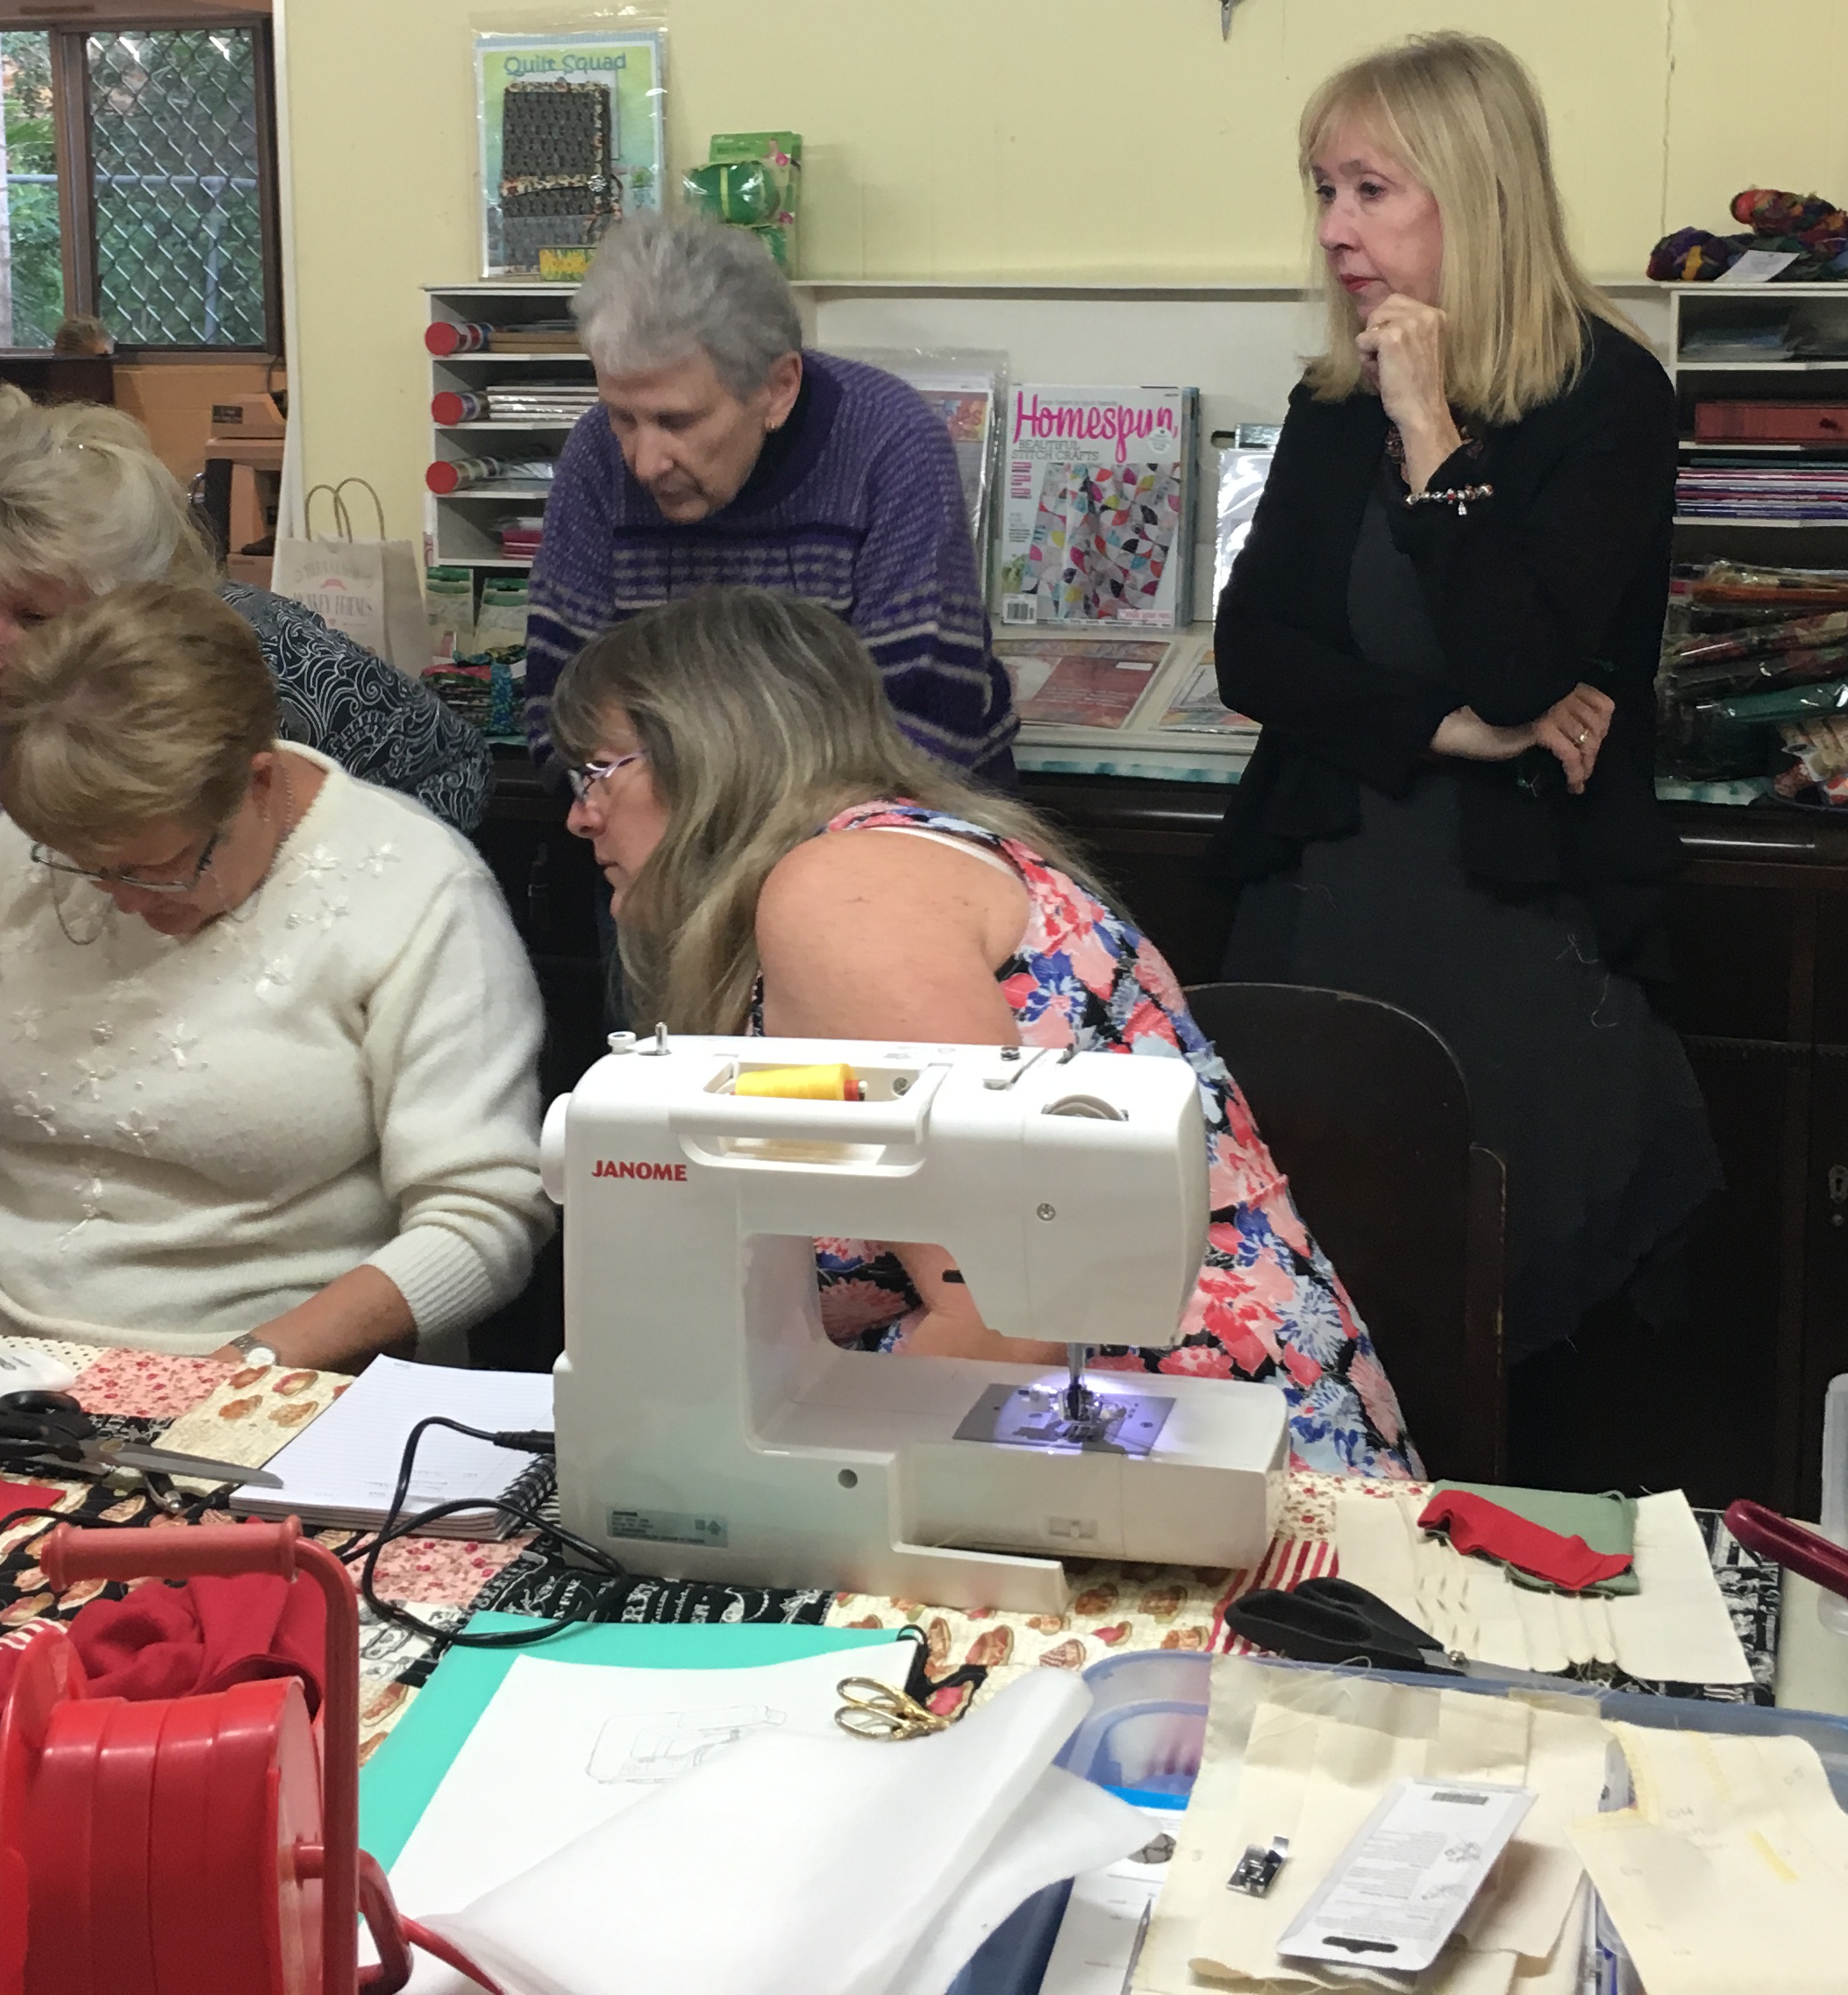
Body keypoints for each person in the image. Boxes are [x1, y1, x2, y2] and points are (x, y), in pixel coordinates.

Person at [551, 587, 1416, 1478]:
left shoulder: (843, 896)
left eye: (597, 772)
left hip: (1178, 1453)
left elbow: (1003, 1321)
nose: (580, 814)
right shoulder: (889, 862)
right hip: (1113, 1438)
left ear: (709, 752)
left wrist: (738, 1470)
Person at [1211, 31, 1719, 1410]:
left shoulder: (1609, 397)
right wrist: (1448, 731)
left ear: (1476, 192)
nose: (1335, 229)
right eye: (1324, 190)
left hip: (1516, 918)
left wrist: (1433, 432)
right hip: (1328, 892)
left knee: (1496, 1307)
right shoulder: (1333, 403)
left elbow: (1520, 659)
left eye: (1372, 191)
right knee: (1307, 1302)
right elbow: (1256, 654)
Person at [0, 582, 549, 1358]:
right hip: (4, 1353)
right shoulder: (40, 848)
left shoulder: (418, 890)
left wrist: (246, 1367)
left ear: (256, 785)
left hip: (284, 1370)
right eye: (89, 869)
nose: (124, 901)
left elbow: (481, 1217)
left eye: (156, 869)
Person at [0, 390, 489, 995]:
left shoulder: (258, 655)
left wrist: (310, 930)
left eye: (35, 617)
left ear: (128, 600)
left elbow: (451, 770)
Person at [523, 218, 1015, 787]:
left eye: (676, 421)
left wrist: (740, 831)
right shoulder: (596, 452)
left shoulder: (892, 443)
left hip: (884, 816)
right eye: (622, 416)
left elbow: (926, 730)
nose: (644, 462)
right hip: (666, 815)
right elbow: (561, 712)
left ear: (779, 388)